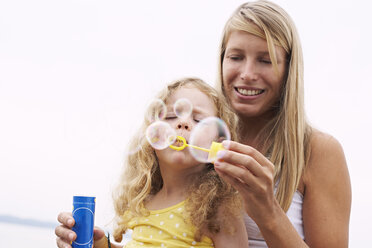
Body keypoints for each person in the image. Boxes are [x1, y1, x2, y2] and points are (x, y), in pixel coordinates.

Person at [212, 1, 351, 247]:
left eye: (265, 61)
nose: (247, 73)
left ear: (288, 69)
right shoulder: (196, 138)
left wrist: (267, 211)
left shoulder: (319, 151)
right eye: (236, 57)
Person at [55, 77, 249, 248]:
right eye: (171, 116)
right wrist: (100, 245)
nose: (183, 124)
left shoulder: (217, 208)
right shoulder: (143, 202)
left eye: (198, 119)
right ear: (153, 136)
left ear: (218, 143)